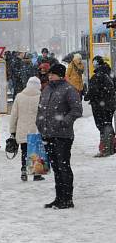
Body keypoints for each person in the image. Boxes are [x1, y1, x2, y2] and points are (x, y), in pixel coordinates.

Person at [36, 63, 83, 209]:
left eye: (52, 74)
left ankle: (67, 199)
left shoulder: (69, 90)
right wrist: (39, 122)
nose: (49, 76)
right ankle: (59, 198)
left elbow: (77, 110)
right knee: (56, 167)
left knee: (63, 167)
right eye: (49, 74)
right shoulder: (47, 89)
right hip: (48, 134)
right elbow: (41, 108)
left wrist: (64, 122)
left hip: (63, 136)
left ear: (60, 75)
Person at [9, 77, 44, 181]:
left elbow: (14, 115)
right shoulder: (41, 97)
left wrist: (12, 130)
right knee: (35, 150)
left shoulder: (19, 96)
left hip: (22, 129)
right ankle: (36, 174)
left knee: (24, 150)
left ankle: (24, 170)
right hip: (36, 128)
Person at [84, 56, 116, 157]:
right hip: (110, 104)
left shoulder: (97, 76)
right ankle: (111, 147)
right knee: (108, 124)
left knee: (102, 126)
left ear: (96, 64)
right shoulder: (110, 74)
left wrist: (86, 97)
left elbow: (93, 91)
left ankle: (105, 150)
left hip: (100, 105)